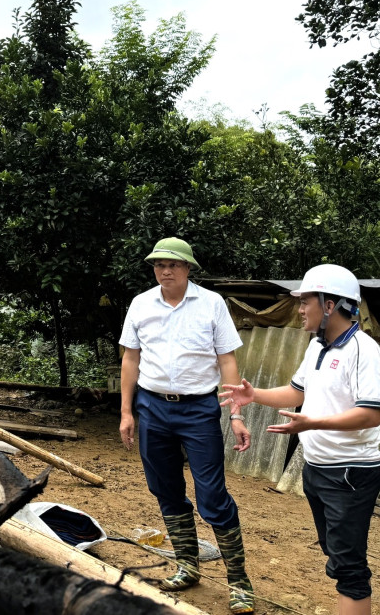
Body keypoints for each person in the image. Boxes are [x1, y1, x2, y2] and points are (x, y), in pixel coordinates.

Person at [219, 264, 380, 615]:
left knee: (349, 566)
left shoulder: (364, 351)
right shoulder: (317, 347)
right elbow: (296, 391)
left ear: (330, 305)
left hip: (350, 473)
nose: (299, 309)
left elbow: (370, 415)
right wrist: (255, 395)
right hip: (318, 469)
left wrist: (313, 423)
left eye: (305, 301)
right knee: (336, 553)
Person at [119, 237, 254, 614]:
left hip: (198, 410)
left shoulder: (211, 304)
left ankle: (239, 581)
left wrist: (236, 414)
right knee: (165, 488)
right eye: (159, 264)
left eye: (174, 264)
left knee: (212, 495)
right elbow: (131, 359)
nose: (165, 270)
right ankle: (188, 565)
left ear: (188, 268)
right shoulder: (141, 304)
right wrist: (127, 412)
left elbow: (227, 361)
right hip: (151, 407)